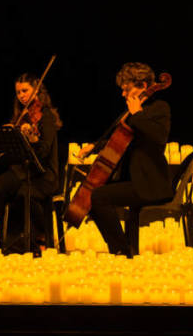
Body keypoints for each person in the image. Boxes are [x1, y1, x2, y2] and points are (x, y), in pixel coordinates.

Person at [77, 62, 173, 257]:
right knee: (90, 195)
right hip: (133, 181)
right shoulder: (132, 114)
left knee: (97, 197)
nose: (123, 94)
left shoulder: (159, 108)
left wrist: (137, 114)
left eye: (127, 89)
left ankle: (121, 251)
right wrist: (94, 147)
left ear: (144, 86)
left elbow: (159, 137)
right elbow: (119, 139)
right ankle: (120, 248)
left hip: (150, 183)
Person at [0, 73, 61, 254]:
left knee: (20, 193)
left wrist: (32, 139)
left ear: (36, 91)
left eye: (25, 91)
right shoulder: (20, 116)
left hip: (44, 175)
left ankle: (38, 238)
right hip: (24, 171)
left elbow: (44, 153)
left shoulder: (46, 117)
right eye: (18, 92)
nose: (21, 95)